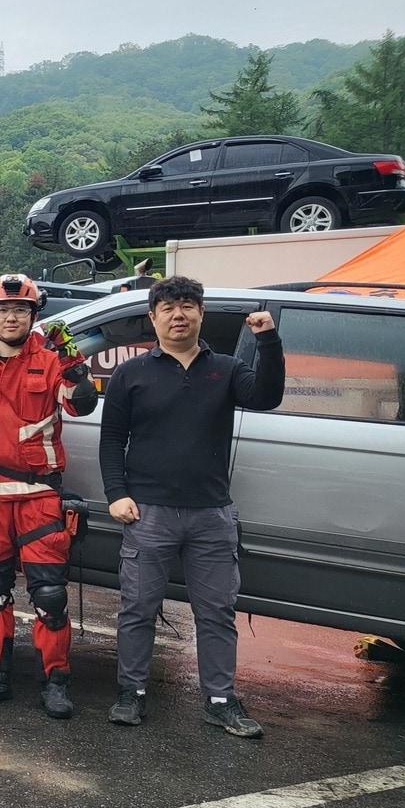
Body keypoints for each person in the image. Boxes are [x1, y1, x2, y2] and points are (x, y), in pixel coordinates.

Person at [99, 275, 284, 738]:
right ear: (153, 317)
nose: (178, 315)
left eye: (187, 306)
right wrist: (116, 494)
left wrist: (268, 340)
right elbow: (112, 440)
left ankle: (220, 700)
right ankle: (132, 692)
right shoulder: (131, 373)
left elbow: (267, 396)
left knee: (216, 611)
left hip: (211, 514)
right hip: (149, 513)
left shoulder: (225, 368)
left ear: (201, 314)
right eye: (168, 308)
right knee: (138, 607)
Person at [0, 273, 98, 719]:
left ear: (34, 316)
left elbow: (80, 403)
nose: (11, 317)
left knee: (50, 593)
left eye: (21, 311)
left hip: (37, 494)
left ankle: (56, 681)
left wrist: (74, 364)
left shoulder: (53, 363)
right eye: (3, 311)